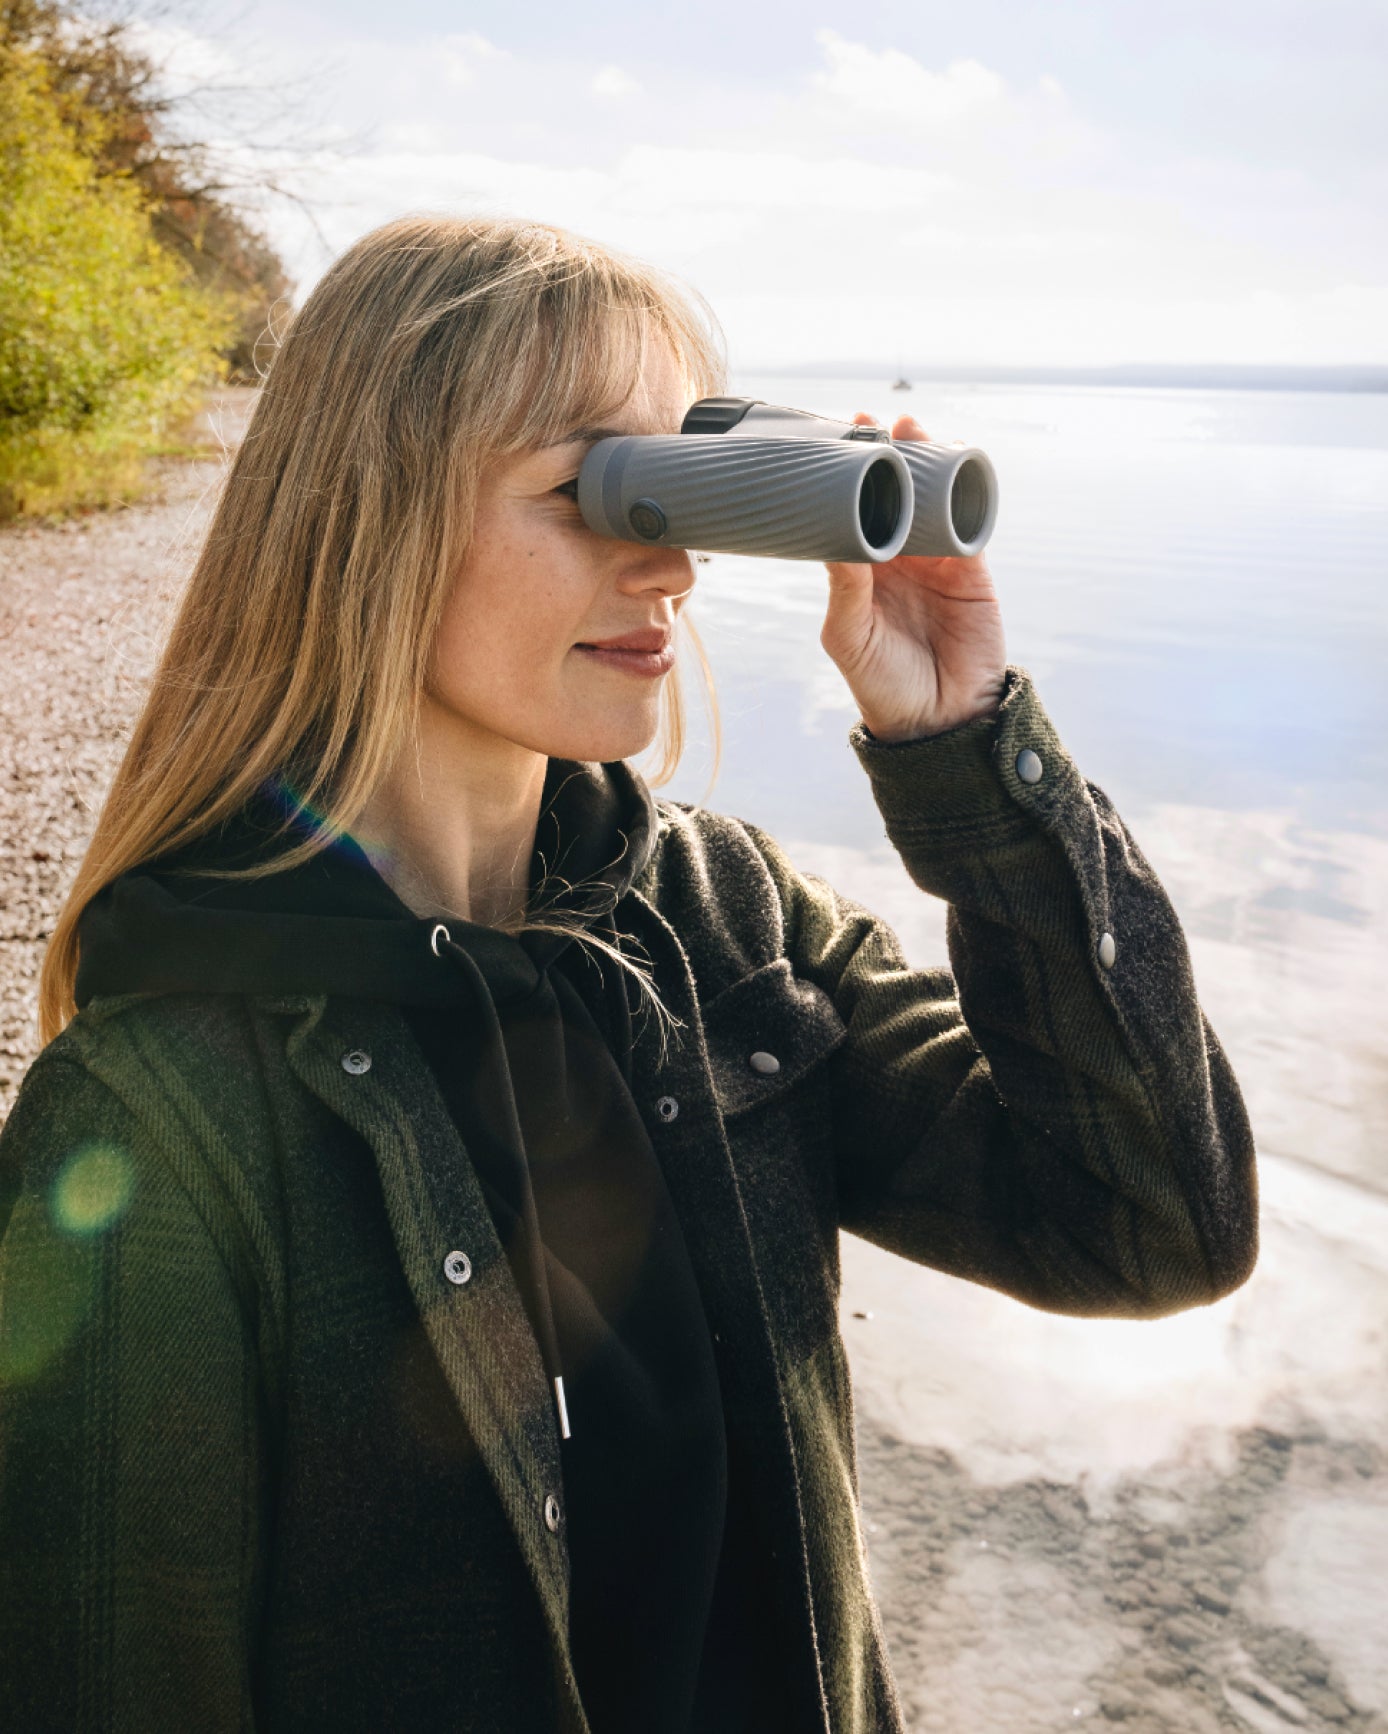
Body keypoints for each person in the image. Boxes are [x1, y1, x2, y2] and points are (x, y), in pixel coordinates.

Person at [0, 214, 1257, 1734]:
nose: (669, 561)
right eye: (593, 489)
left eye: (684, 480)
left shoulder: (727, 919)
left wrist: (969, 753)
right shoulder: (164, 1109)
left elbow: (1151, 1226)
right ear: (375, 522)